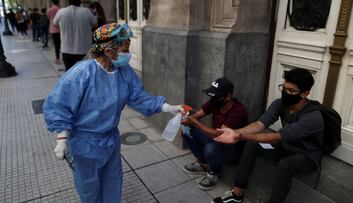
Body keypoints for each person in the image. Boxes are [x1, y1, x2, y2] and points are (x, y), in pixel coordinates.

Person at [43, 23, 184, 203]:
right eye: (125, 48)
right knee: (89, 186)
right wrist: (62, 138)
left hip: (110, 139)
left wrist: (168, 107)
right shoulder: (82, 73)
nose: (128, 52)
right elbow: (59, 103)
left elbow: (138, 97)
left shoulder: (123, 71)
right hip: (84, 142)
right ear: (109, 51)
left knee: (112, 180)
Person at [211, 68, 324, 203]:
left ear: (305, 93)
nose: (286, 93)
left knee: (285, 165)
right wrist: (236, 132)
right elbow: (259, 124)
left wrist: (240, 137)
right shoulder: (281, 103)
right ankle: (237, 194)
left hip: (306, 155)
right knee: (252, 145)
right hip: (286, 146)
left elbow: (277, 137)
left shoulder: (313, 117)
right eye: (284, 88)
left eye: (292, 91)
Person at [181, 77, 248, 190]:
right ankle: (203, 163)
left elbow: (219, 135)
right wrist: (185, 119)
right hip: (216, 140)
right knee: (187, 130)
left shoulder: (238, 111)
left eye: (216, 96)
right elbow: (196, 116)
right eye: (212, 96)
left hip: (232, 150)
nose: (213, 99)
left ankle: (215, 172)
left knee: (210, 148)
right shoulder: (215, 102)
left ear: (228, 97)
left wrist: (196, 123)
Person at [54, 0, 97, 71]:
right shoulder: (86, 11)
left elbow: (55, 24)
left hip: (67, 49)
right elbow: (95, 24)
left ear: (68, 2)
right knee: (85, 73)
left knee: (69, 73)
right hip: (84, 50)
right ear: (80, 2)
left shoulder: (61, 12)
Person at [47, 0, 61, 64]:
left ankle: (57, 58)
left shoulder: (49, 10)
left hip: (53, 29)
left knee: (56, 44)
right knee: (62, 43)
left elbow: (49, 17)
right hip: (61, 29)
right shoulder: (60, 9)